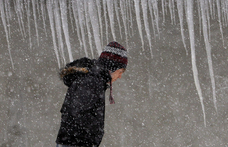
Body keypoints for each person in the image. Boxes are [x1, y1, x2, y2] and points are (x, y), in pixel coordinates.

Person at [56, 41, 128, 147]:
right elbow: (77, 114)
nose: (120, 76)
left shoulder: (94, 80)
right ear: (112, 68)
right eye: (120, 72)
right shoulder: (92, 82)